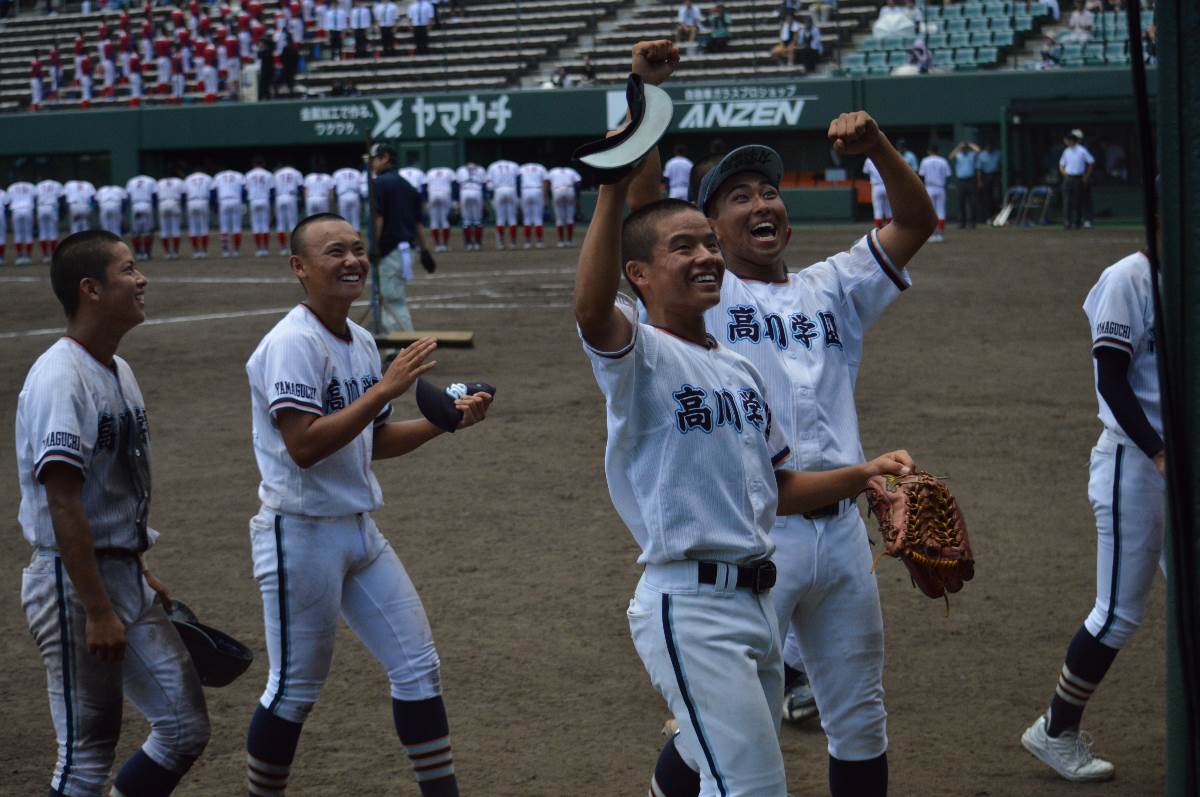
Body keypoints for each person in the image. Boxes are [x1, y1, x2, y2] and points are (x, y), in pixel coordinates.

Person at [580, 41, 917, 797]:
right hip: (746, 544)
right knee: (734, 748)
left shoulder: (812, 301)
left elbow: (915, 221)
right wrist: (641, 96)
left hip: (819, 526)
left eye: (769, 190)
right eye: (736, 197)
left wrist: (866, 475)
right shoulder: (694, 308)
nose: (761, 204)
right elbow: (640, 221)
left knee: (839, 720)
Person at [241, 211, 492, 796]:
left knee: (419, 668)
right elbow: (304, 445)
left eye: (357, 248)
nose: (353, 259)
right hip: (300, 534)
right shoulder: (292, 342)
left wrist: (446, 423)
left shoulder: (357, 339)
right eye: (335, 251)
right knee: (293, 690)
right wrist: (384, 389)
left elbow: (372, 440)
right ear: (300, 267)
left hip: (358, 531)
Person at [17, 229, 211, 797]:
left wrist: (137, 565)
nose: (141, 278)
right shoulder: (60, 377)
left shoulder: (117, 369)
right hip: (73, 585)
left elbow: (111, 488)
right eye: (128, 269)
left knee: (184, 728)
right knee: (86, 758)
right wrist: (98, 609)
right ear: (91, 289)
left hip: (119, 572)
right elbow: (63, 500)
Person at [1021, 243, 1164, 783]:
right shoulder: (1129, 278)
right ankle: (1055, 730)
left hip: (1172, 465)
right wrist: (1159, 453)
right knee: (1117, 613)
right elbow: (1112, 380)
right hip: (1134, 463)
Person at [371, 142, 432, 332]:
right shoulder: (409, 186)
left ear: (385, 158)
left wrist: (374, 246)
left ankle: (403, 345)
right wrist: (425, 251)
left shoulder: (379, 183)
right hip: (407, 250)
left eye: (375, 159)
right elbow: (418, 224)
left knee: (392, 301)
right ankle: (397, 343)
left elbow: (378, 218)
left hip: (390, 249)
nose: (372, 163)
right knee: (392, 298)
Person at [1059, 131, 1094, 230]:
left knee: (1077, 201)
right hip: (1068, 178)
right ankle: (1067, 222)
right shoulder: (1066, 151)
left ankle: (1077, 222)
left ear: (1072, 140)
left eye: (1067, 140)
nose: (1066, 142)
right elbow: (1061, 164)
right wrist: (1065, 174)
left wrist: (1086, 176)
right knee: (1066, 201)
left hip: (1078, 178)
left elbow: (1091, 162)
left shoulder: (1082, 150)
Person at [918, 143, 950, 241]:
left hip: (929, 188)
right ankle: (940, 235)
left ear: (929, 151)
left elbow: (921, 175)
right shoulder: (943, 161)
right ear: (938, 151)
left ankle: (932, 235)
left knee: (930, 213)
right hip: (940, 188)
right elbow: (947, 176)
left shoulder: (925, 161)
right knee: (941, 211)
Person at [486, 157, 519, 249]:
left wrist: (491, 195)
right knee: (512, 218)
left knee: (500, 218)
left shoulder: (493, 165)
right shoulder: (514, 164)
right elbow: (518, 180)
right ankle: (513, 243)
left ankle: (500, 243)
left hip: (498, 190)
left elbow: (489, 186)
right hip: (511, 190)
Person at [246, 159, 276, 257]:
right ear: (263, 164)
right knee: (265, 226)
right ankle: (265, 249)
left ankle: (259, 249)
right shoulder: (268, 174)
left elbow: (245, 190)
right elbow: (272, 191)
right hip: (264, 200)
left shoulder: (249, 174)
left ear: (253, 164)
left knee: (256, 226)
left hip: (253, 200)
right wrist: (272, 206)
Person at [213, 167, 246, 257]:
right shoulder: (239, 175)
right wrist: (243, 202)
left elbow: (214, 192)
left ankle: (225, 251)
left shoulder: (218, 176)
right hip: (236, 200)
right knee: (237, 227)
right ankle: (236, 251)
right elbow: (244, 191)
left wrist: (214, 204)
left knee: (224, 227)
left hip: (223, 201)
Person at [546, 164, 581, 247]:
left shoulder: (552, 171)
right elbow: (578, 183)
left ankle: (561, 242)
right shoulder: (571, 170)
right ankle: (570, 241)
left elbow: (547, 183)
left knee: (559, 219)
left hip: (557, 191)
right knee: (570, 218)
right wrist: (577, 197)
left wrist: (548, 195)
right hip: (570, 190)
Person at [948, 141, 981, 229]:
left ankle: (972, 222)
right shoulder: (959, 155)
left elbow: (978, 150)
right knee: (961, 201)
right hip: (961, 181)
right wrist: (959, 146)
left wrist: (969, 144)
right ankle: (962, 222)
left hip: (970, 180)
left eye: (966, 148)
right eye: (964, 148)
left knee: (972, 202)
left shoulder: (971, 154)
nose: (964, 149)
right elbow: (950, 156)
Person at [455, 160, 487, 251]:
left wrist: (456, 201)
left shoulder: (461, 169)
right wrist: (485, 200)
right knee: (477, 221)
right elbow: (485, 185)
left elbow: (456, 185)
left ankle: (468, 245)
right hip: (477, 192)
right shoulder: (481, 169)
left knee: (466, 221)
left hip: (464, 192)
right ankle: (477, 244)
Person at [424, 164, 456, 252]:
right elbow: (455, 185)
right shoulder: (449, 170)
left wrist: (426, 201)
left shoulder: (430, 172)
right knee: (445, 220)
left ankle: (437, 246)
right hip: (445, 194)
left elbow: (424, 186)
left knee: (434, 221)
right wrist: (455, 200)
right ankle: (444, 245)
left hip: (432, 194)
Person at [274, 163, 304, 254]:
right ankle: (292, 248)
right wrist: (301, 200)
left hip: (279, 197)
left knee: (281, 224)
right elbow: (300, 188)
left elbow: (273, 188)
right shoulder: (296, 172)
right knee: (292, 224)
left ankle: (283, 248)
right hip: (291, 197)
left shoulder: (277, 173)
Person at [184, 170, 214, 258]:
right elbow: (212, 192)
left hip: (191, 202)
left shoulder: (188, 178)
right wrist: (213, 205)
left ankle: (196, 252)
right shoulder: (207, 177)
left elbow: (184, 193)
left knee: (193, 228)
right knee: (204, 228)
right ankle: (204, 252)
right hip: (203, 201)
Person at [518, 160, 548, 248]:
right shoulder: (541, 167)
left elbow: (517, 181)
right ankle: (539, 242)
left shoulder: (522, 168)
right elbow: (546, 182)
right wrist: (545, 197)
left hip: (525, 190)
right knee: (538, 218)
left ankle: (527, 242)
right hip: (537, 190)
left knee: (527, 218)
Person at [156, 173, 186, 259]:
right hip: (174, 202)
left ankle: (167, 253)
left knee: (164, 230)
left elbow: (156, 195)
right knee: (175, 229)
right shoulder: (179, 181)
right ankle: (175, 253)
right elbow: (183, 195)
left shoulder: (160, 182)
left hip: (163, 203)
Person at [35, 177, 64, 262]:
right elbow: (61, 197)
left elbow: (35, 197)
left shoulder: (39, 185)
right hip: (52, 207)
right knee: (53, 233)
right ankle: (53, 255)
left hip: (41, 207)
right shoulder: (57, 184)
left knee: (43, 232)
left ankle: (45, 256)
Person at [9, 179, 37, 265]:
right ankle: (28, 257)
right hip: (28, 209)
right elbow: (35, 198)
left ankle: (20, 257)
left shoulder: (12, 187)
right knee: (28, 234)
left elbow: (8, 201)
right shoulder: (31, 186)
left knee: (18, 234)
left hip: (16, 210)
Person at [976, 142, 1002, 222]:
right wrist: (979, 181)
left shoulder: (998, 153)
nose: (989, 148)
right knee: (987, 198)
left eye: (990, 147)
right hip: (986, 176)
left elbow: (1002, 165)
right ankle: (988, 217)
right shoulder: (982, 155)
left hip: (996, 175)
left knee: (996, 196)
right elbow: (979, 169)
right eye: (988, 147)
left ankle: (998, 216)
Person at [863, 156, 890, 228]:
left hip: (876, 186)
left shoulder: (869, 160)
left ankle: (879, 229)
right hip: (886, 186)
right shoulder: (885, 157)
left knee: (878, 209)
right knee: (888, 209)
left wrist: (872, 178)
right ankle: (891, 229)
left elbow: (865, 174)